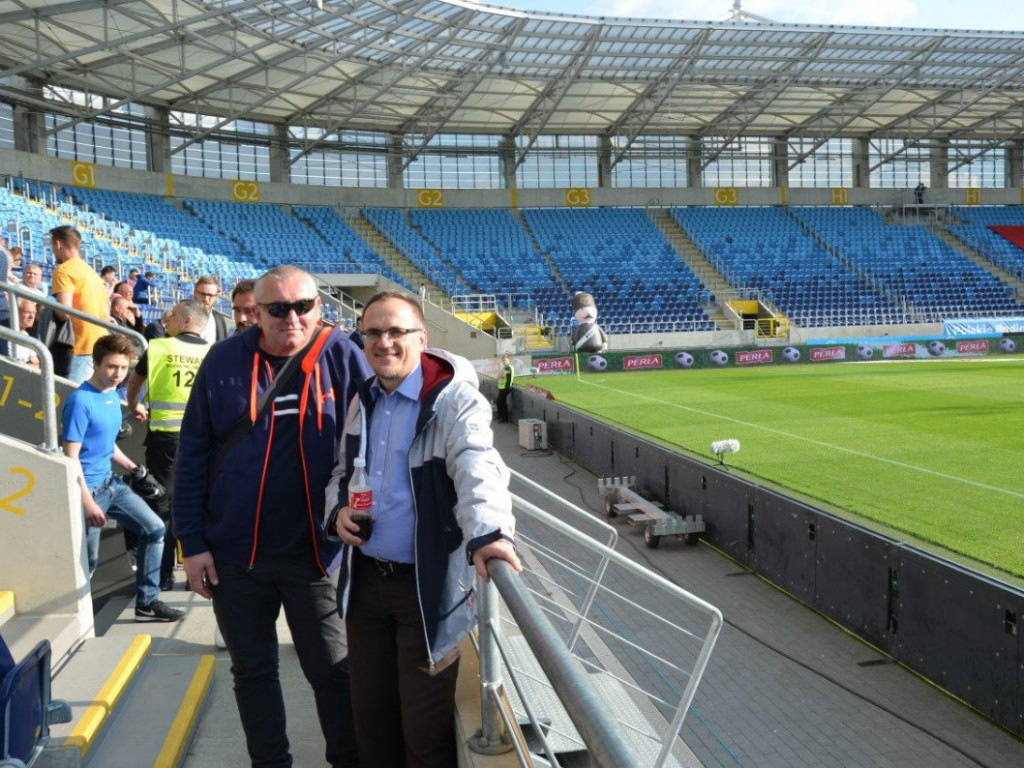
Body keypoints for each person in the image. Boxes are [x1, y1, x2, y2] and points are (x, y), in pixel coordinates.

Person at [173, 265, 368, 768]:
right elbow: (192, 453)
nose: (293, 318)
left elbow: (379, 438)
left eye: (304, 306)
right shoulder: (222, 361)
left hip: (315, 554)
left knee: (333, 672)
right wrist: (191, 544)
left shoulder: (342, 355)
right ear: (256, 313)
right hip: (237, 557)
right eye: (278, 309)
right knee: (253, 672)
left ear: (319, 308)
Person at [325, 291, 521, 768]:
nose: (384, 343)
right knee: (371, 724)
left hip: (428, 590)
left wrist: (489, 532)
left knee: (425, 735)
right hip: (367, 582)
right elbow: (339, 476)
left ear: (422, 338)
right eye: (373, 333)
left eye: (397, 332)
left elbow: (477, 466)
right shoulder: (364, 397)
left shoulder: (454, 400)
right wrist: (337, 513)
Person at [62, 334, 184, 622]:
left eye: (123, 368)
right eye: (111, 367)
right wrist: (88, 503)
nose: (118, 374)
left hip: (111, 484)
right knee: (88, 563)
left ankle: (147, 602)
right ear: (95, 363)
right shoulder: (81, 401)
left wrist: (134, 469)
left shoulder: (111, 396)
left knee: (154, 529)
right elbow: (71, 456)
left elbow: (106, 444)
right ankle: (76, 620)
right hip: (88, 490)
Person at [127, 300, 211, 591]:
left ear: (187, 321)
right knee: (203, 503)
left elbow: (136, 380)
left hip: (166, 438)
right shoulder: (214, 352)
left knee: (161, 505)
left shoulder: (160, 347)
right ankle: (197, 575)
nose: (167, 320)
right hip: (204, 438)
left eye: (173, 316)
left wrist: (134, 405)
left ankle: (161, 578)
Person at [50, 226, 109, 384]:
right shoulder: (92, 273)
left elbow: (64, 312)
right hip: (100, 342)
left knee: (73, 398)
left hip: (81, 344)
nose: (53, 251)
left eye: (52, 247)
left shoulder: (63, 270)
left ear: (58, 244)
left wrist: (46, 308)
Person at [193, 276, 232, 343]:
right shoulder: (181, 316)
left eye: (210, 295)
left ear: (216, 296)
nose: (206, 298)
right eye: (203, 294)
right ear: (195, 293)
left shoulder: (219, 319)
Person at [9, 298, 39, 367]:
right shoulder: (5, 334)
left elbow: (35, 363)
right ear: (16, 313)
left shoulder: (26, 335)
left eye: (34, 313)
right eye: (28, 312)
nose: (31, 316)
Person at [496, 353, 514, 423]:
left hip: (506, 387)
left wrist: (500, 375)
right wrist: (500, 375)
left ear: (509, 360)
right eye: (503, 360)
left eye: (505, 360)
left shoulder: (508, 367)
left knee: (501, 402)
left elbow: (502, 375)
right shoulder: (504, 367)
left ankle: (504, 418)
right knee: (500, 402)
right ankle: (501, 416)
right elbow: (498, 376)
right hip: (502, 387)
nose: (504, 362)